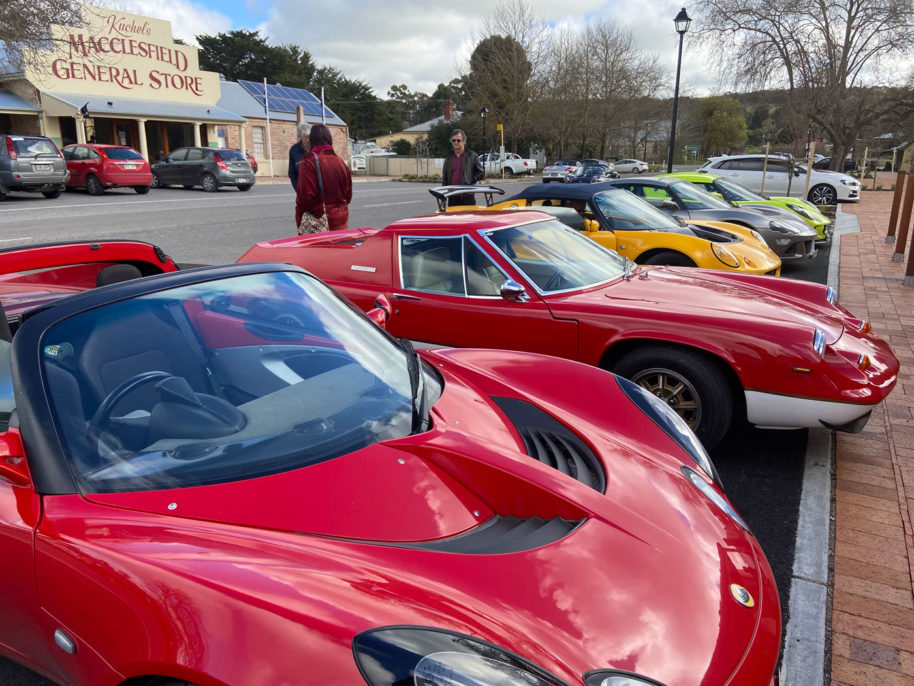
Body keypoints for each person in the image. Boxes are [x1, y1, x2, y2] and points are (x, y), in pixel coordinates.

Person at [295, 124, 352, 231]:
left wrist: (300, 218)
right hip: (342, 220)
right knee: (340, 247)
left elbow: (304, 199)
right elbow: (348, 196)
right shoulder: (340, 162)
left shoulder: (308, 161)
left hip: (320, 222)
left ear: (312, 140)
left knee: (321, 248)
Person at [441, 129, 484, 207]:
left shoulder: (472, 155)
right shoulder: (448, 157)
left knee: (468, 219)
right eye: (453, 140)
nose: (456, 142)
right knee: (454, 219)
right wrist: (443, 198)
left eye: (458, 140)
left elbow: (481, 172)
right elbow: (445, 179)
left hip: (468, 197)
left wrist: (471, 179)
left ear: (464, 141)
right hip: (453, 197)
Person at [288, 122, 311, 190]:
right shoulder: (294, 150)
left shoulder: (316, 148)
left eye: (309, 136)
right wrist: (298, 189)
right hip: (303, 192)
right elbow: (292, 173)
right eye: (305, 137)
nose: (308, 140)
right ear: (299, 136)